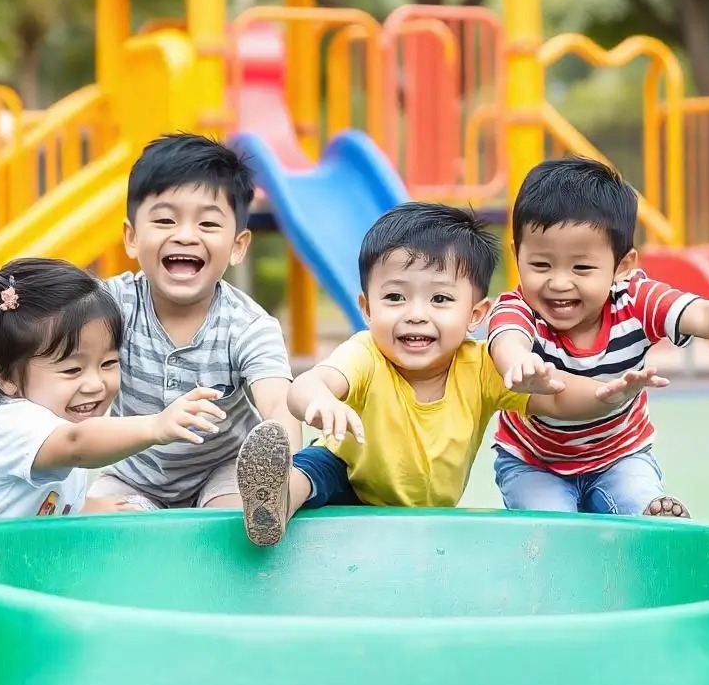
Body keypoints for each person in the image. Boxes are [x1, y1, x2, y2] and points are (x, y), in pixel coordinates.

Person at [234, 202, 669, 547]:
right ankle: (274, 500)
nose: (416, 316)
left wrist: (608, 395)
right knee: (315, 468)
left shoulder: (481, 367)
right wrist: (322, 401)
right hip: (353, 478)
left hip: (429, 509)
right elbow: (307, 385)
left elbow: (557, 397)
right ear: (366, 309)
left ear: (476, 314)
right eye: (395, 297)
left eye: (440, 299)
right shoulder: (365, 354)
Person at [487, 157, 709, 517]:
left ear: (621, 266)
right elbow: (506, 337)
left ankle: (652, 522)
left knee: (636, 503)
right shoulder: (519, 308)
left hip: (620, 455)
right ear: (517, 255)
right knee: (552, 526)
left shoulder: (636, 300)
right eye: (541, 265)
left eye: (582, 267)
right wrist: (518, 361)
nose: (559, 282)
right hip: (534, 463)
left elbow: (700, 313)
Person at [0, 257, 227, 530]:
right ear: (5, 377)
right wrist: (155, 427)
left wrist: (88, 508)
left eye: (108, 363)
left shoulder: (52, 421)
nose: (95, 383)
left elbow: (48, 497)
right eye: (72, 369)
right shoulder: (10, 421)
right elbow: (76, 444)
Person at [88, 133, 303, 512]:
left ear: (238, 246)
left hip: (222, 467)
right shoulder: (110, 305)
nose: (185, 235)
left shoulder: (248, 325)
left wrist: (281, 446)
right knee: (101, 522)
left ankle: (260, 500)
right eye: (166, 219)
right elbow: (51, 340)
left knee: (232, 517)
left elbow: (278, 402)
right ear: (132, 237)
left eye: (207, 224)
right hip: (132, 470)